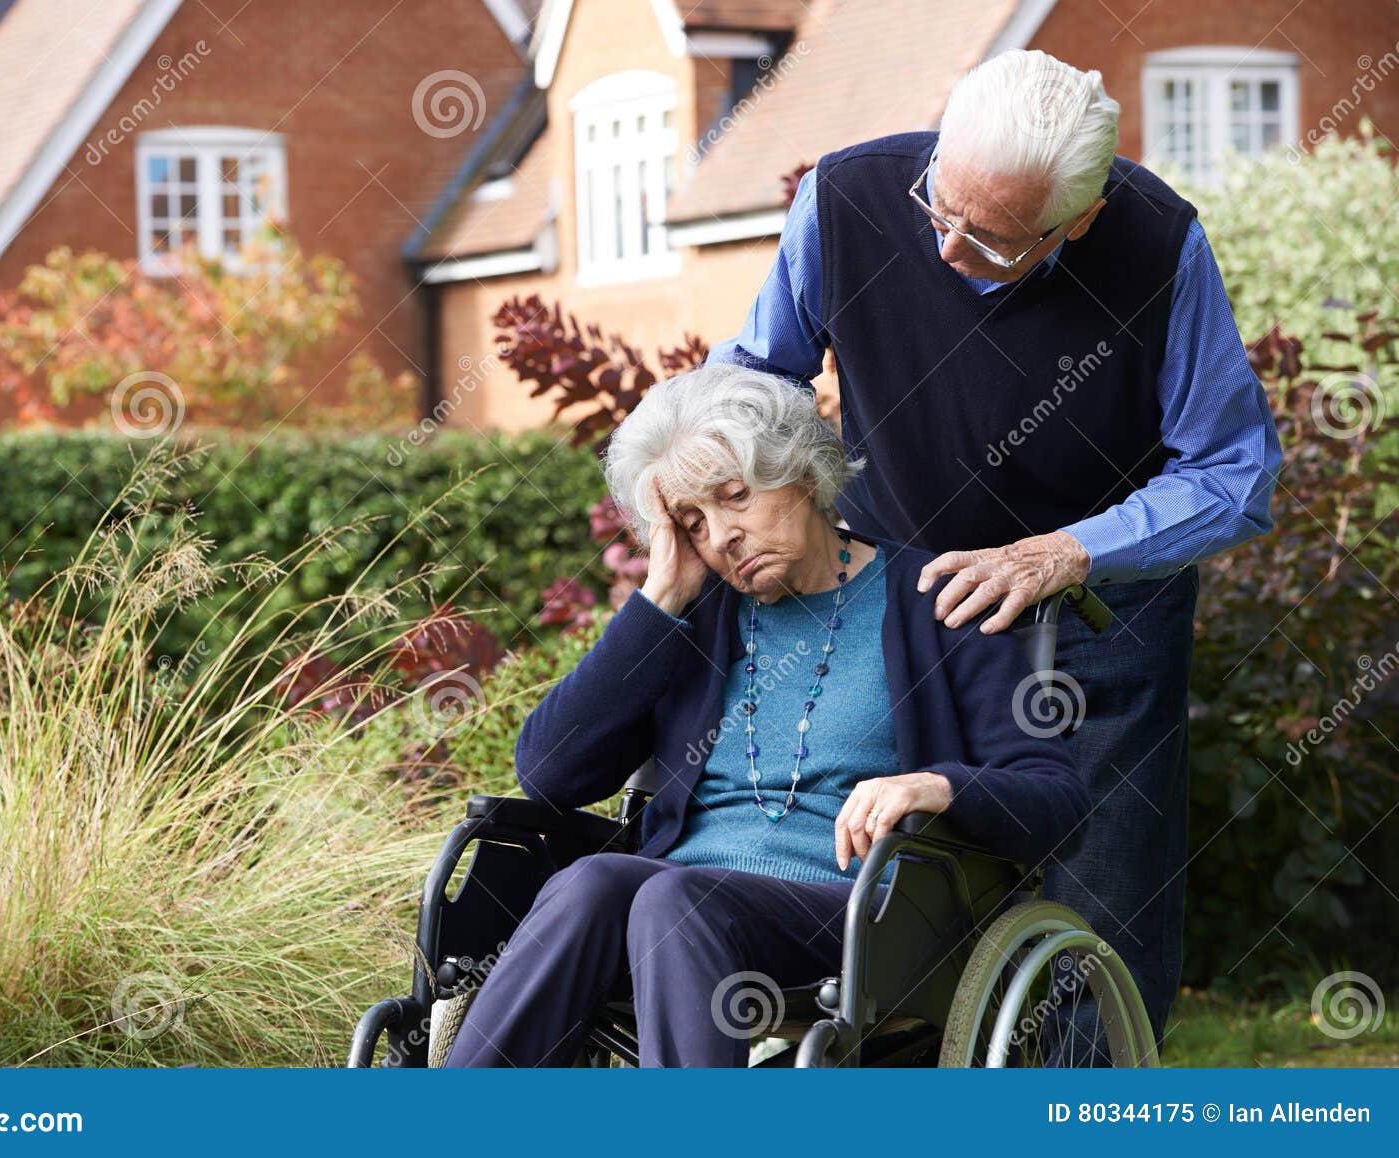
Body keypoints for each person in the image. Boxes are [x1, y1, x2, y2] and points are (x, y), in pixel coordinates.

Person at [703, 48, 1281, 1060]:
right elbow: (756, 381)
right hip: (899, 594)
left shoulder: (1157, 243)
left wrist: (1067, 551)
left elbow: (1232, 472)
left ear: (1080, 219)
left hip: (1098, 611)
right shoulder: (844, 200)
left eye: (995, 241)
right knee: (893, 891)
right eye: (940, 208)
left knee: (1103, 907)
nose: (946, 250)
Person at [444, 362, 1088, 1067]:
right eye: (693, 522)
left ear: (803, 473)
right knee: (592, 882)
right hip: (675, 911)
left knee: (674, 901)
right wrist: (659, 599)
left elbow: (1055, 800)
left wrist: (935, 786)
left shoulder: (931, 602)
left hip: (862, 914)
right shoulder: (697, 618)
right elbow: (549, 772)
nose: (720, 536)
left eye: (735, 497)